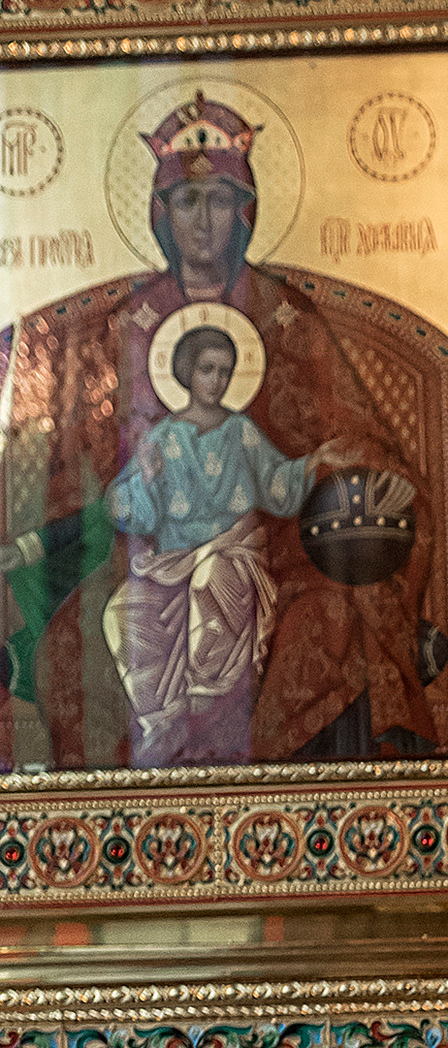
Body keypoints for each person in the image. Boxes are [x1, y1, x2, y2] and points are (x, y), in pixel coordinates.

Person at [0, 90, 448, 766]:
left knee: (322, 623)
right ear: (161, 213)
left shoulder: (287, 316)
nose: (201, 221)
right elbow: (79, 469)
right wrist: (80, 518)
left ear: (244, 211)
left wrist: (341, 467)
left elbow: (349, 443)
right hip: (148, 550)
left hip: (283, 545)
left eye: (218, 200)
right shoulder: (126, 325)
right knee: (77, 639)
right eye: (186, 201)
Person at [102, 322, 360, 766]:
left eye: (225, 371)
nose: (216, 380)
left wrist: (316, 461)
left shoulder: (241, 432)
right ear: (186, 372)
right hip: (170, 563)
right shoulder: (163, 438)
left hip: (232, 554)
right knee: (121, 611)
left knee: (210, 578)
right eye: (207, 369)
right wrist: (145, 475)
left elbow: (279, 486)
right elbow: (127, 510)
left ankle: (206, 715)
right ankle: (161, 721)